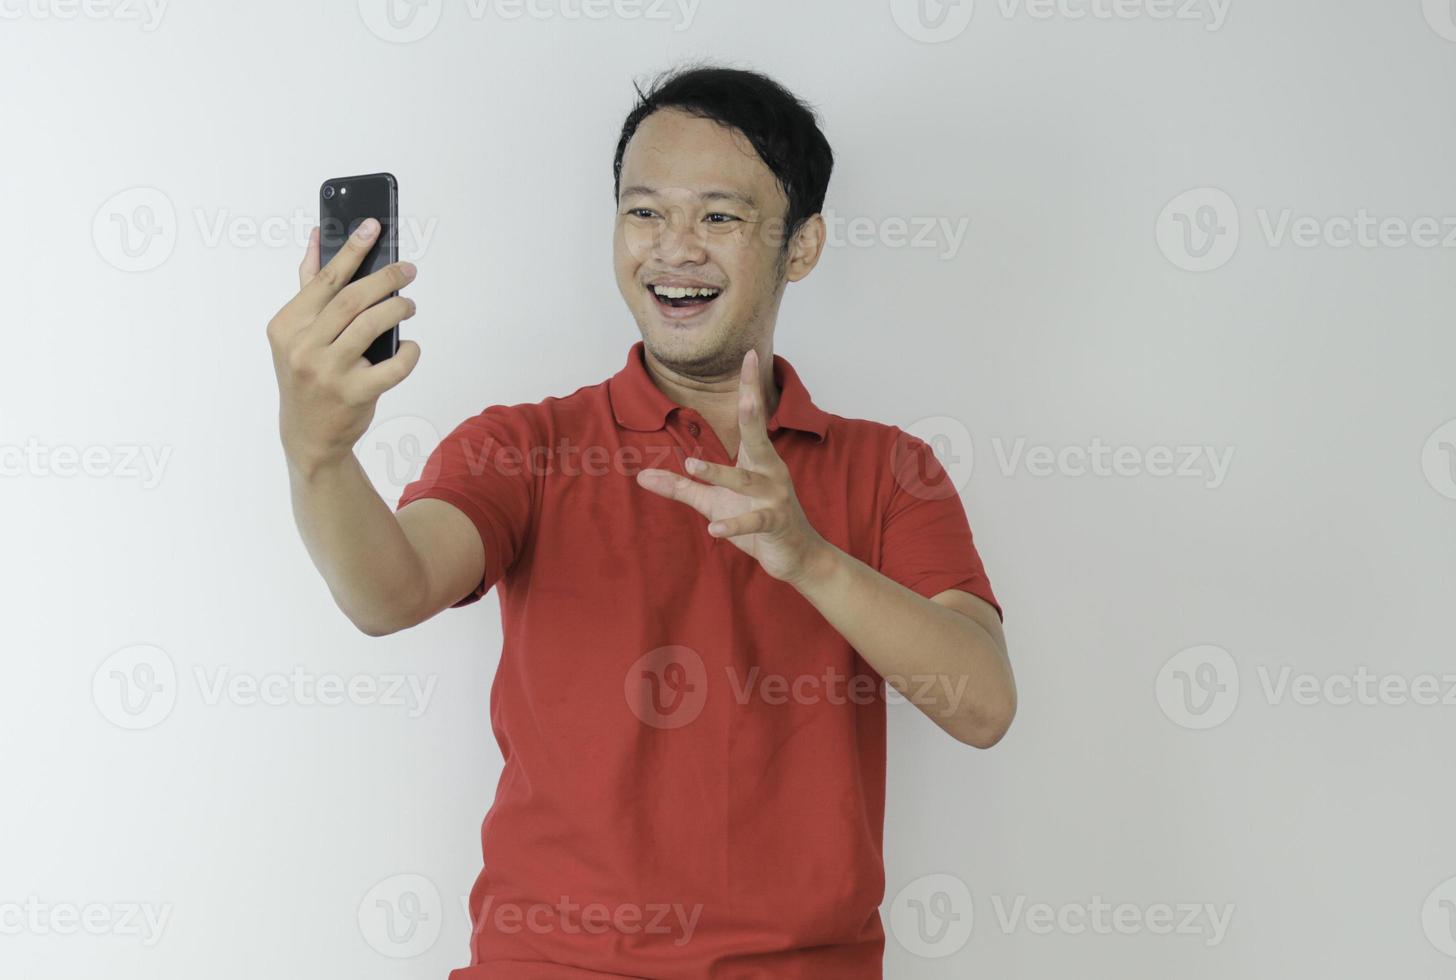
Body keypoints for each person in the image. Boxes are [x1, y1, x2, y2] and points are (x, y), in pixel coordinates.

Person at [266, 64, 1015, 979]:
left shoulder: (890, 468)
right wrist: (319, 454)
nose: (675, 249)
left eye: (721, 217)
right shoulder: (524, 447)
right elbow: (389, 592)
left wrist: (809, 558)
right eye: (645, 212)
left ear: (803, 245)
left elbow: (982, 707)